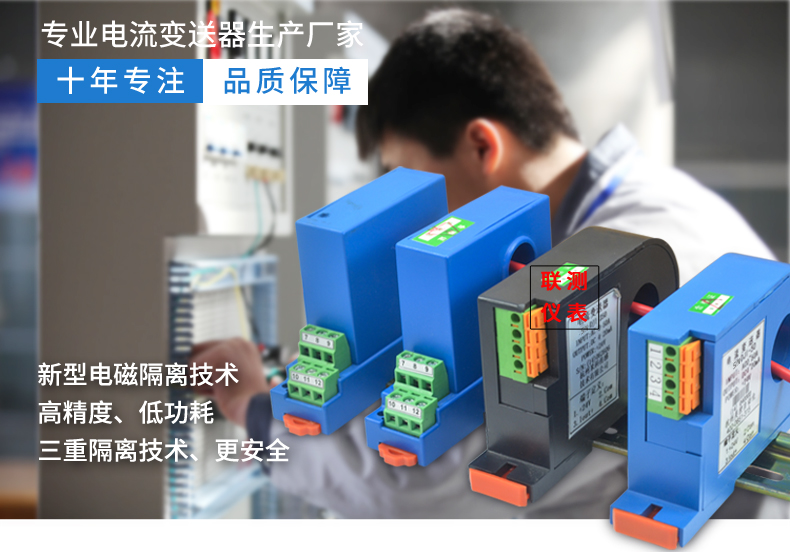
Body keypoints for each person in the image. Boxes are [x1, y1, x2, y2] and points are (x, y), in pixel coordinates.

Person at [192, 9, 784, 519]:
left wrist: (255, 411)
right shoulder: (648, 205)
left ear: (482, 145)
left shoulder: (630, 261)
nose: (416, 220)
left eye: (417, 183)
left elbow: (430, 471)